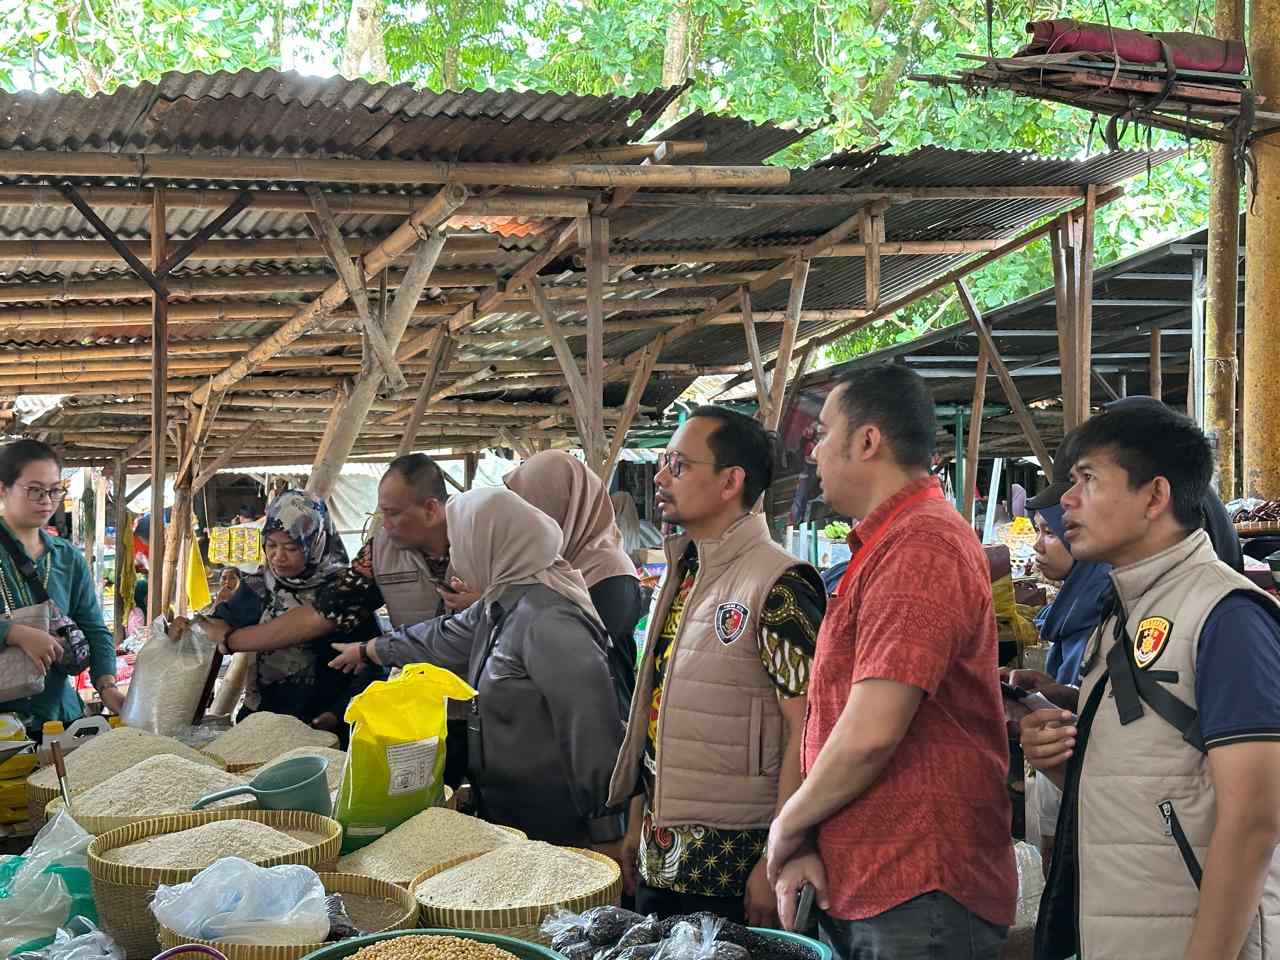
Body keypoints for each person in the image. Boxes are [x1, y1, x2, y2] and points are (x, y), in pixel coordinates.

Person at [767, 364, 1016, 958]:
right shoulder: (889, 542)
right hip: (873, 880)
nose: (813, 452)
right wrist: (806, 838)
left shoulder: (921, 544)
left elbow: (871, 733)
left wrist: (787, 825)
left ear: (868, 440)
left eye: (822, 434)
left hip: (915, 884)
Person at [1020, 403, 1280, 960]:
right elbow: (1154, 789)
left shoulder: (1228, 617)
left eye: (1088, 479)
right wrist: (1061, 761)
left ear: (1155, 496)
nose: (1067, 500)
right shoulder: (1123, 613)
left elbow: (1256, 818)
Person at [607, 405, 826, 927]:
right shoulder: (682, 570)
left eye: (679, 465)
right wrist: (637, 819)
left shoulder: (779, 584)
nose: (660, 478)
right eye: (664, 462)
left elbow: (807, 729)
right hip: (662, 854)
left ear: (731, 481)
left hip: (735, 864)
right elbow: (656, 704)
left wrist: (775, 859)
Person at [330, 487, 627, 849]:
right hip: (514, 818)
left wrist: (607, 830)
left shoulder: (548, 620)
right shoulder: (502, 603)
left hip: (557, 829)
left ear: (489, 543)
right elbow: (442, 636)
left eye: (459, 543)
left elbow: (591, 728)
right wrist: (372, 649)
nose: (457, 556)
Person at [221, 454, 463, 783]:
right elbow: (326, 612)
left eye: (392, 513)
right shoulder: (380, 552)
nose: (385, 524)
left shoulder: (479, 539)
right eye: (381, 513)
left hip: (490, 700)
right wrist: (231, 640)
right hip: (425, 706)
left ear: (431, 509)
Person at [170, 490, 380, 734]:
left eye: (291, 547)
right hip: (262, 721)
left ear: (316, 542)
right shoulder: (259, 586)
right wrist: (190, 628)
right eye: (271, 545)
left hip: (323, 726)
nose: (278, 557)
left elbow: (374, 664)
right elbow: (217, 625)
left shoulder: (347, 593)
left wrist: (337, 713)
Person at [0, 440, 123, 732]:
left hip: (57, 715)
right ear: (3, 489)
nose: (47, 500)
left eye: (54, 490)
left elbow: (94, 629)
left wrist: (107, 686)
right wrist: (14, 633)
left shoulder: (66, 558)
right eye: (35, 490)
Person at [504, 450, 643, 706]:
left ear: (561, 506)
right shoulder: (557, 562)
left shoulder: (610, 574)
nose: (524, 521)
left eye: (531, 508)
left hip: (601, 718)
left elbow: (570, 654)